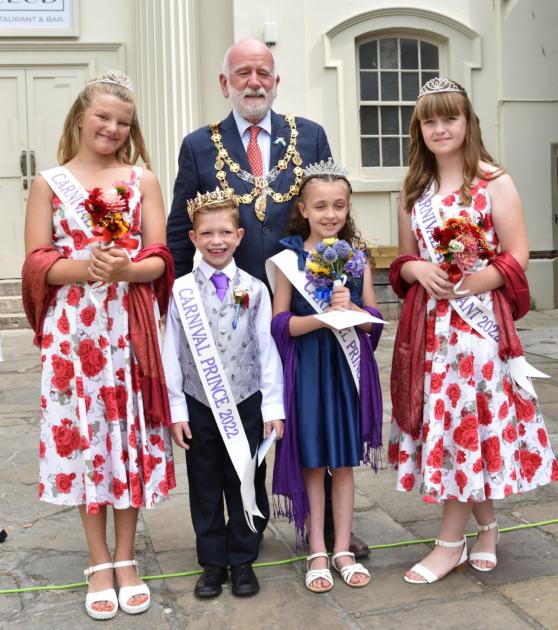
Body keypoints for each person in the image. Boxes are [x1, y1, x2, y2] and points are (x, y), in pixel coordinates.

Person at [167, 37, 369, 558]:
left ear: (275, 80)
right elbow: (175, 233)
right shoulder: (197, 146)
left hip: (302, 310)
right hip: (228, 317)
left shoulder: (311, 136)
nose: (253, 82)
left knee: (313, 418)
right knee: (246, 417)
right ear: (224, 83)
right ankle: (243, 533)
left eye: (263, 72)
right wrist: (185, 304)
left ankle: (325, 532)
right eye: (242, 74)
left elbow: (333, 219)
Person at [388, 77, 558, 584]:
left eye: (450, 118)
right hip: (429, 331)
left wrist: (469, 282)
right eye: (430, 120)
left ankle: (449, 544)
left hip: (477, 331)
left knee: (466, 425)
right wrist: (418, 272)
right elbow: (405, 260)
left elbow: (518, 255)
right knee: (451, 428)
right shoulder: (413, 189)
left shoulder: (492, 181)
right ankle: (486, 529)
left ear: (468, 122)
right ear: (418, 128)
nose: (440, 128)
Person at [22, 71, 176, 620]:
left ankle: (128, 559)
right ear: (81, 117)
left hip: (128, 327)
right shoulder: (49, 182)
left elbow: (161, 257)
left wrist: (128, 266)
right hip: (74, 332)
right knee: (87, 437)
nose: (112, 128)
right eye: (104, 117)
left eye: (124, 122)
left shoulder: (142, 180)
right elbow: (38, 263)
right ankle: (97, 560)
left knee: (126, 435)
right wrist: (86, 265)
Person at [266, 160, 384, 593]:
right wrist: (321, 319)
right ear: (303, 208)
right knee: (314, 461)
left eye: (338, 206)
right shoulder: (288, 259)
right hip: (310, 370)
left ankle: (342, 549)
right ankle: (316, 547)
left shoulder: (358, 258)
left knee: (344, 462)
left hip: (347, 371)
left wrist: (352, 312)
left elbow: (373, 322)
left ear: (348, 207)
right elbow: (280, 324)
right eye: (320, 206)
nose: (330, 214)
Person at [162, 189, 285, 598]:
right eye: (207, 233)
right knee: (204, 482)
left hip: (247, 400)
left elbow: (267, 353)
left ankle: (243, 558)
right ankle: (213, 563)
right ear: (194, 238)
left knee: (247, 477)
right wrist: (177, 408)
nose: (217, 240)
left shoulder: (255, 288)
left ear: (239, 235)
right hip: (199, 403)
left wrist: (273, 406)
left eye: (225, 232)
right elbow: (171, 354)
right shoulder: (180, 292)